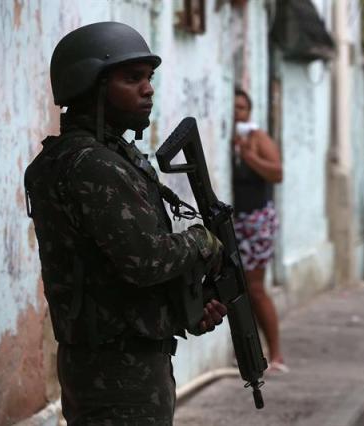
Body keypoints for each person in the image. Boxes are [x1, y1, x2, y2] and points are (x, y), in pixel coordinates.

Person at [24, 22, 227, 425]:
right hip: (118, 373)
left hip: (120, 361)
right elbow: (145, 260)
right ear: (92, 86)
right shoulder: (92, 164)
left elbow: (108, 270)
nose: (147, 89)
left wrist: (186, 310)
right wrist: (202, 240)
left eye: (148, 78)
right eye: (132, 78)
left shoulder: (94, 157)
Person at [232, 88, 286, 372]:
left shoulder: (256, 138)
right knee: (240, 289)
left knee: (255, 288)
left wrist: (248, 156)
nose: (236, 113)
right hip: (236, 222)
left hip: (257, 221)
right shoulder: (228, 138)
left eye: (242, 108)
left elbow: (277, 172)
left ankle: (276, 354)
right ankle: (252, 352)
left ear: (249, 113)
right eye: (233, 108)